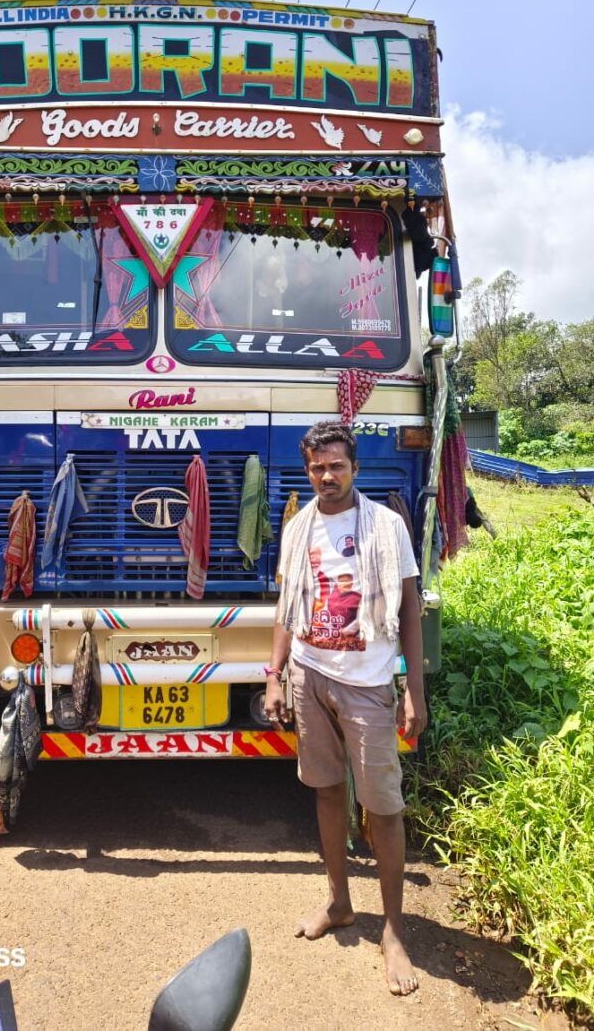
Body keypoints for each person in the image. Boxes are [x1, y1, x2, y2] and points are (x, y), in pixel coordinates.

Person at [266, 420, 427, 996]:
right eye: (316, 467)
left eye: (335, 465)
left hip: (367, 686)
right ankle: (339, 903)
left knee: (383, 809)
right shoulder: (298, 527)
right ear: (307, 470)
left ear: (354, 467)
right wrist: (275, 676)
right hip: (310, 677)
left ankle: (393, 932)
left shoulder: (386, 526)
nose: (326, 476)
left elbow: (409, 612)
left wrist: (413, 688)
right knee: (327, 791)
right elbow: (287, 609)